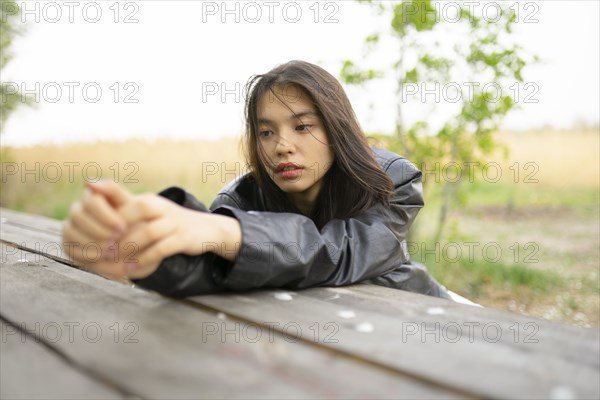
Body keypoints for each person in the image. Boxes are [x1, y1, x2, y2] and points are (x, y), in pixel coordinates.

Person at [62, 60, 452, 300]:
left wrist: (229, 233)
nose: (282, 146)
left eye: (302, 126)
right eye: (266, 132)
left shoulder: (390, 180)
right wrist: (136, 251)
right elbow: (208, 272)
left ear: (337, 129)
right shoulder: (238, 202)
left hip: (423, 315)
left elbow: (336, 253)